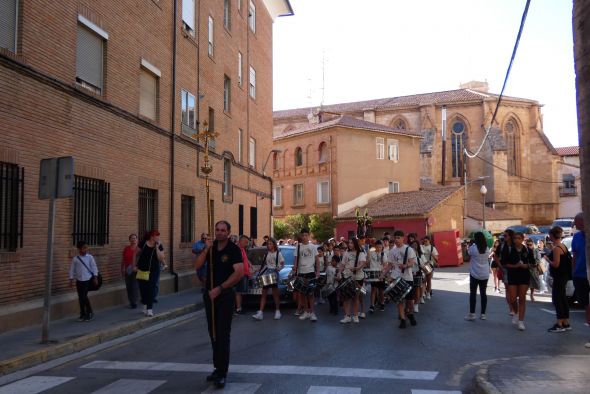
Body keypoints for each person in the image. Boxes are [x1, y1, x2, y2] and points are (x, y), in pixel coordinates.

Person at [195, 220, 244, 389]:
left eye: (223, 230)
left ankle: (222, 372)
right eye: (217, 230)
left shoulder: (233, 249)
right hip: (210, 296)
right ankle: (217, 368)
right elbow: (198, 265)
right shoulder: (211, 247)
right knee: (213, 333)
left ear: (228, 232)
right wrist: (206, 248)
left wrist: (220, 288)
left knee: (223, 334)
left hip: (225, 295)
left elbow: (239, 273)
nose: (220, 232)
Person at [384, 230, 417, 328]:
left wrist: (406, 265)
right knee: (399, 300)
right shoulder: (392, 251)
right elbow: (390, 265)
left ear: (403, 238)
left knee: (410, 301)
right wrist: (383, 274)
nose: (396, 240)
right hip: (396, 277)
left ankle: (410, 313)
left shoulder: (409, 249)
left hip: (408, 277)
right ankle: (402, 319)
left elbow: (412, 263)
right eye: (395, 238)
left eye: (398, 238)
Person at [504, 232, 532, 331]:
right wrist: (515, 266)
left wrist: (526, 265)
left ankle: (521, 321)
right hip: (513, 276)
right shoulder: (508, 249)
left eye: (519, 238)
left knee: (522, 298)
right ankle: (516, 312)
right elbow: (505, 263)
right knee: (512, 299)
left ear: (522, 239)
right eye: (515, 238)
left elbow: (533, 263)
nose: (517, 240)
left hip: (524, 276)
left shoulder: (528, 249)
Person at [547, 226, 573, 333]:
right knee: (563, 299)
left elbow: (556, 264)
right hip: (565, 276)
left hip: (559, 277)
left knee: (557, 299)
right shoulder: (563, 246)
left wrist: (547, 260)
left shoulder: (557, 248)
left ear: (552, 236)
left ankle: (559, 324)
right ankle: (566, 322)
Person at [252, 237, 284, 321]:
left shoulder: (278, 254)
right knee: (264, 293)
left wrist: (279, 268)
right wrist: (258, 270)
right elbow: (264, 264)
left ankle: (277, 311)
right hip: (267, 273)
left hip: (274, 273)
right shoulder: (266, 253)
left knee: (275, 294)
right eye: (268, 244)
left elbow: (282, 264)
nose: (268, 245)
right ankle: (260, 313)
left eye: (270, 243)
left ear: (274, 244)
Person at [292, 228, 320, 322]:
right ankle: (306, 312)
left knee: (311, 293)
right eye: (303, 235)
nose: (304, 237)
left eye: (306, 235)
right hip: (301, 273)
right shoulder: (298, 246)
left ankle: (312, 313)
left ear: (309, 235)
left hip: (311, 272)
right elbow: (296, 260)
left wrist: (318, 271)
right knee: (302, 294)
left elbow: (317, 260)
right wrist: (295, 270)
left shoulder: (313, 247)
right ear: (301, 236)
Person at [136, 230, 165, 317]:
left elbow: (161, 258)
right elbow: (136, 253)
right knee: (143, 288)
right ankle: (144, 303)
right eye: (157, 236)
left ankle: (149, 309)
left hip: (153, 270)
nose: (158, 237)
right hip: (142, 269)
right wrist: (134, 265)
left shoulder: (159, 245)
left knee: (151, 288)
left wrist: (157, 247)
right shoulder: (143, 243)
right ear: (152, 236)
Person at [338, 238, 367, 323]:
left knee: (355, 297)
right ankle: (347, 316)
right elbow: (342, 264)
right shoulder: (346, 253)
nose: (349, 244)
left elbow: (362, 263)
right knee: (346, 297)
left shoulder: (361, 253)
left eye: (351, 243)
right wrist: (339, 272)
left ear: (355, 243)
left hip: (358, 278)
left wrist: (357, 268)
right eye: (349, 242)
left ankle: (355, 315)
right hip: (347, 276)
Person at [571, 213, 589, 346]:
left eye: (577, 222)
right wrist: (573, 271)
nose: (575, 225)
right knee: (587, 306)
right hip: (580, 275)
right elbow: (575, 255)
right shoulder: (576, 237)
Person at [69, 240, 98, 322]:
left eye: (86, 248)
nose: (85, 249)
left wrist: (95, 277)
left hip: (87, 280)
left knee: (83, 297)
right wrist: (71, 280)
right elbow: (72, 270)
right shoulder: (75, 259)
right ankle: (82, 314)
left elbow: (94, 267)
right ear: (79, 249)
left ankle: (89, 312)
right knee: (80, 297)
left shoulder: (90, 257)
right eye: (83, 248)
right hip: (79, 280)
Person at [465, 232, 490, 321]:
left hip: (474, 273)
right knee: (483, 294)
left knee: (473, 294)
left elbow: (468, 254)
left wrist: (470, 245)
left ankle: (472, 314)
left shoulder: (473, 248)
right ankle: (483, 314)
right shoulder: (487, 248)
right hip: (485, 274)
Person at [368, 240, 387, 313]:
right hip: (373, 273)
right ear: (375, 247)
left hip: (381, 273)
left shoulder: (383, 254)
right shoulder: (371, 253)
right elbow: (368, 262)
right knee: (373, 289)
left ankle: (382, 303)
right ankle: (372, 305)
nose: (379, 248)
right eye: (377, 247)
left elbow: (385, 264)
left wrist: (383, 271)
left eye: (380, 247)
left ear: (382, 247)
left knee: (381, 291)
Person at [234, 235, 252, 314]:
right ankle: (238, 309)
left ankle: (240, 307)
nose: (247, 244)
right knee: (238, 292)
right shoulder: (237, 250)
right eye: (246, 242)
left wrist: (250, 264)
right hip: (240, 274)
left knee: (241, 292)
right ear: (241, 241)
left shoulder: (242, 249)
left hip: (244, 273)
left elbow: (245, 259)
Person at [121, 234, 139, 309]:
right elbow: (123, 259)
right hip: (127, 270)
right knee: (128, 286)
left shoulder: (139, 249)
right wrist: (122, 268)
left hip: (136, 270)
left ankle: (134, 302)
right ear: (129, 240)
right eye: (131, 238)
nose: (133, 240)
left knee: (134, 286)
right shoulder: (126, 248)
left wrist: (137, 267)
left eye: (134, 238)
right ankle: (131, 301)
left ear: (137, 239)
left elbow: (142, 260)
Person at [410, 240, 425, 312]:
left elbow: (423, 267)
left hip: (417, 274)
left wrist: (421, 265)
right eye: (413, 245)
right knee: (410, 290)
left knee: (417, 289)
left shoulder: (419, 258)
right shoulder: (407, 258)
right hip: (409, 275)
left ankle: (416, 305)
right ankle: (411, 303)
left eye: (415, 245)